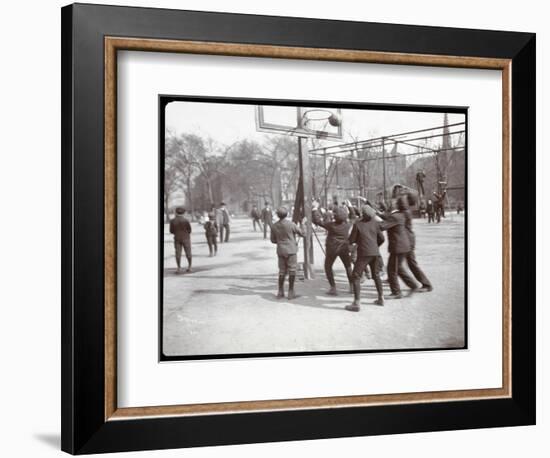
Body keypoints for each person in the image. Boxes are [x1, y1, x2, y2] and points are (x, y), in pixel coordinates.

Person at [346, 206, 385, 311]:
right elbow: (382, 238)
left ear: (362, 213)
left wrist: (351, 243)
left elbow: (352, 240)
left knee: (356, 275)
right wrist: (375, 246)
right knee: (376, 275)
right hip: (375, 252)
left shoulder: (358, 224)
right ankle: (381, 297)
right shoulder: (375, 224)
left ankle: (356, 302)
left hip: (364, 252)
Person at [380, 196, 418, 298]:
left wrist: (372, 220)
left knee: (391, 269)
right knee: (399, 268)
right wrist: (376, 213)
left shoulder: (395, 216)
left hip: (398, 246)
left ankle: (396, 292)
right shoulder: (402, 215)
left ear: (398, 205)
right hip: (404, 245)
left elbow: (382, 226)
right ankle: (413, 285)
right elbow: (388, 218)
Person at [312, 202, 353, 296]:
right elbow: (353, 216)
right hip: (344, 248)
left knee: (328, 266)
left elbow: (317, 221)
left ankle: (333, 288)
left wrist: (314, 209)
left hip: (332, 249)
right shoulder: (347, 225)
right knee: (348, 266)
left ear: (335, 216)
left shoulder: (331, 225)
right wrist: (350, 207)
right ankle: (352, 286)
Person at [270, 207, 304, 300]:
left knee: (282, 271)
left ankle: (280, 292)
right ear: (287, 214)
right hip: (291, 250)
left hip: (281, 250)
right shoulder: (291, 224)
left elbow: (273, 240)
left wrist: (281, 241)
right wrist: (303, 225)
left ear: (277, 215)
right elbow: (303, 233)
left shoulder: (274, 226)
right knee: (292, 270)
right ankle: (290, 292)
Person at [404, 193, 433, 292]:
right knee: (402, 263)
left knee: (411, 263)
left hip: (408, 240)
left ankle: (426, 284)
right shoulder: (407, 210)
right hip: (408, 239)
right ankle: (392, 279)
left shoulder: (406, 211)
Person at [169, 206, 192, 274]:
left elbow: (171, 231)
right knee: (188, 253)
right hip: (186, 238)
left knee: (178, 253)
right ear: (183, 213)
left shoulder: (172, 221)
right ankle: (189, 267)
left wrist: (176, 233)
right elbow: (189, 230)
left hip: (177, 238)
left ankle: (179, 267)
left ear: (176, 212)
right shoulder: (186, 220)